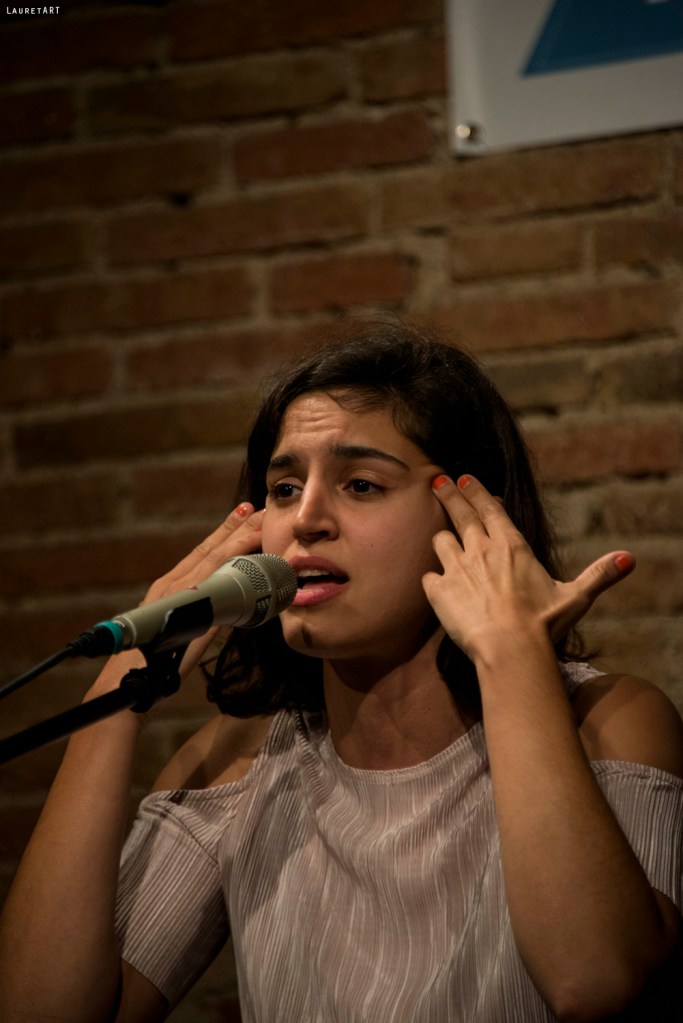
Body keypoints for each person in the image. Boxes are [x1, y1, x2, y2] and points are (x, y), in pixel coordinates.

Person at [0, 324, 681, 1023]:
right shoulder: (235, 765)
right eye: (284, 487)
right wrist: (119, 688)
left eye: (360, 484)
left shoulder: (608, 721)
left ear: (473, 520)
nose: (306, 519)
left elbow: (595, 982)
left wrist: (512, 653)